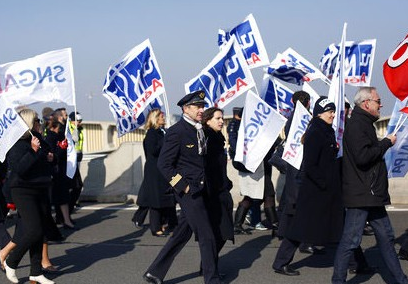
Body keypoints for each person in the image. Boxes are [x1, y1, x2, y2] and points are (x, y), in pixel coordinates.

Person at [143, 90, 222, 284]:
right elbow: (164, 164)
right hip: (189, 192)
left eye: (203, 106)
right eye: (197, 106)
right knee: (207, 235)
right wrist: (183, 187)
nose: (201, 110)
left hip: (202, 189)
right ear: (186, 109)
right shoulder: (176, 131)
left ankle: (154, 272)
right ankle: (212, 279)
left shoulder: (200, 130)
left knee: (181, 234)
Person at [332, 87, 408, 284]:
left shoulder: (363, 123)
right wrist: (385, 143)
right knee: (350, 241)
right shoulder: (358, 124)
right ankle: (338, 281)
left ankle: (400, 279)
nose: (380, 104)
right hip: (362, 194)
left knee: (387, 238)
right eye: (377, 101)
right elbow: (363, 157)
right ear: (366, 103)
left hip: (371, 193)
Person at [273, 96, 344, 276]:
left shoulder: (326, 130)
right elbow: (311, 164)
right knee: (299, 228)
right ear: (320, 113)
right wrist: (324, 183)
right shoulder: (316, 132)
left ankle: (355, 261)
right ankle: (280, 263)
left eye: (333, 111)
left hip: (326, 190)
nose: (333, 115)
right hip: (315, 191)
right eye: (330, 111)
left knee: (341, 226)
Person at [3, 109, 55, 284]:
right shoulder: (16, 143)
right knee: (33, 229)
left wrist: (51, 158)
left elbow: (49, 160)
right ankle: (11, 261)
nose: (40, 123)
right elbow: (20, 169)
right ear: (28, 123)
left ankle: (36, 272)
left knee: (40, 232)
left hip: (40, 187)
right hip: (22, 190)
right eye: (37, 120)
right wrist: (33, 151)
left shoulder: (39, 139)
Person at [132, 109, 177, 237]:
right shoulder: (152, 133)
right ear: (155, 118)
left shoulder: (163, 132)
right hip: (155, 172)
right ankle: (155, 227)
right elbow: (153, 151)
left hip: (164, 171)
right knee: (156, 202)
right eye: (161, 116)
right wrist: (165, 141)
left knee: (166, 199)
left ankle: (167, 223)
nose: (164, 118)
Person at [201, 107, 234, 274]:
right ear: (208, 120)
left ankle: (207, 266)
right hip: (212, 193)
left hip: (221, 190)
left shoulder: (218, 138)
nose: (222, 121)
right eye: (218, 118)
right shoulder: (207, 139)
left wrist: (226, 182)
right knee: (218, 232)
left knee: (222, 232)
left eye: (222, 118)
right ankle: (208, 268)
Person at [46, 111, 76, 230]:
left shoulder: (60, 135)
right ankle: (64, 220)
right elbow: (53, 156)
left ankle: (65, 219)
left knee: (63, 196)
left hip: (62, 169)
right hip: (56, 172)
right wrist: (61, 148)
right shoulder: (50, 138)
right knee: (59, 197)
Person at [68, 111, 84, 213]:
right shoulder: (69, 129)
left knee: (76, 185)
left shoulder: (79, 129)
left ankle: (71, 204)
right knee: (76, 185)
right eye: (78, 120)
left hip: (77, 158)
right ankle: (69, 206)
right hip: (70, 161)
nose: (80, 122)